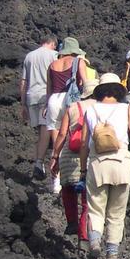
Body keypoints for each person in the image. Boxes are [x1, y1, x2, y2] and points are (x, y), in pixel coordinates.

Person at [79, 73, 130, 259]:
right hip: (121, 163)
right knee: (116, 214)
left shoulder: (90, 111)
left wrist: (82, 169)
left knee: (96, 209)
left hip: (97, 163)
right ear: (118, 91)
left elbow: (83, 144)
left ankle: (95, 242)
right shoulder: (126, 109)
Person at [48, 77, 96, 246]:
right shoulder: (99, 108)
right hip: (89, 154)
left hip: (69, 154)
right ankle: (84, 235)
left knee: (68, 189)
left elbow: (62, 134)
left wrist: (55, 156)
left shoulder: (73, 107)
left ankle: (71, 222)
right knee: (86, 200)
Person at [44, 38, 89, 193]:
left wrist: (45, 106)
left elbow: (48, 89)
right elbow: (86, 83)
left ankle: (55, 183)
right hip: (70, 101)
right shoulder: (78, 61)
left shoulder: (52, 65)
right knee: (70, 138)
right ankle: (73, 176)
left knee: (56, 142)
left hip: (53, 101)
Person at [21, 35, 58, 180]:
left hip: (31, 96)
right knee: (46, 130)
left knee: (41, 131)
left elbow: (23, 82)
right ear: (52, 44)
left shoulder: (29, 56)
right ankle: (40, 163)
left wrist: (23, 104)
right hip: (45, 96)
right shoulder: (54, 55)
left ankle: (40, 163)